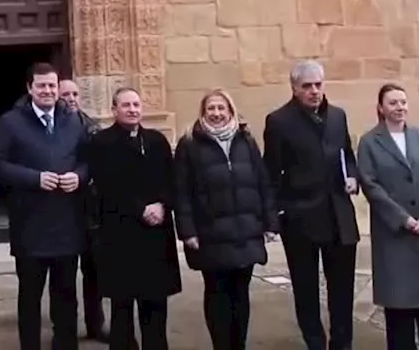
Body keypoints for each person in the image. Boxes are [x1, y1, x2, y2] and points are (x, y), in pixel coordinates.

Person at [0, 62, 92, 350]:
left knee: (66, 297)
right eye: (42, 85)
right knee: (30, 298)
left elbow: (88, 161)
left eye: (52, 85)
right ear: (29, 88)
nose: (48, 91)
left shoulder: (72, 120)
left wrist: (79, 176)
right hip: (30, 227)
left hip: (67, 226)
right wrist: (35, 179)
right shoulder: (11, 122)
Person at [262, 60, 360, 350]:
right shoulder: (279, 121)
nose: (314, 91)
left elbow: (348, 156)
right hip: (301, 219)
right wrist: (276, 215)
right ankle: (315, 343)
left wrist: (352, 177)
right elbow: (271, 173)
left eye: (318, 85)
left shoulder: (338, 116)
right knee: (306, 291)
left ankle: (342, 344)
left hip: (340, 217)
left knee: (342, 292)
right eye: (307, 86)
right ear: (294, 88)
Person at [357, 84, 419, 350]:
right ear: (381, 108)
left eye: (403, 102)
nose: (399, 107)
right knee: (400, 306)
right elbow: (371, 185)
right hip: (395, 235)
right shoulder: (369, 143)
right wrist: (403, 219)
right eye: (393, 103)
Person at [173, 89, 275, 350]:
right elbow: (182, 191)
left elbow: (262, 181)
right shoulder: (189, 144)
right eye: (211, 109)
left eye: (221, 108)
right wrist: (187, 231)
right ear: (203, 112)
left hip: (245, 231)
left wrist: (270, 222)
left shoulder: (246, 140)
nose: (216, 114)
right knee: (217, 295)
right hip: (210, 234)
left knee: (241, 294)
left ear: (231, 111)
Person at [87, 88, 181, 350]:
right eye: (126, 105)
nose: (132, 109)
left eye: (136, 104)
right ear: (114, 109)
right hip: (121, 234)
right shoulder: (102, 143)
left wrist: (162, 205)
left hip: (155, 234)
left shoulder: (156, 141)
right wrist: (140, 209)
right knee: (122, 309)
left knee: (156, 307)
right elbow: (106, 184)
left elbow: (171, 179)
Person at [59, 78, 108, 342]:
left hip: (90, 210)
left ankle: (95, 324)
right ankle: (65, 328)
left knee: (94, 272)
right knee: (64, 275)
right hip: (63, 211)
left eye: (75, 93)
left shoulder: (92, 127)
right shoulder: (51, 128)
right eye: (65, 93)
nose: (71, 98)